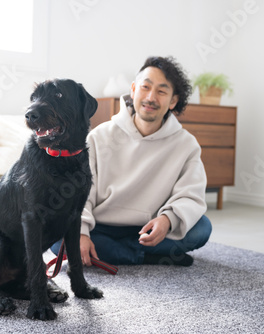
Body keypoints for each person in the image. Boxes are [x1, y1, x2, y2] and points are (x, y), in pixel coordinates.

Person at [51, 56, 211, 267]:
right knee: (55, 234)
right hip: (99, 224)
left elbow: (191, 195)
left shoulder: (186, 145)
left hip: (150, 228)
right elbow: (78, 192)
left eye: (162, 91)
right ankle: (142, 256)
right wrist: (81, 232)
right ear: (133, 90)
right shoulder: (100, 137)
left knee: (201, 229)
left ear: (173, 101)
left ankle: (113, 253)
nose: (151, 97)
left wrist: (167, 220)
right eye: (145, 87)